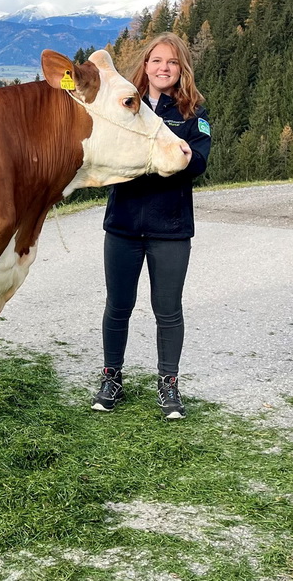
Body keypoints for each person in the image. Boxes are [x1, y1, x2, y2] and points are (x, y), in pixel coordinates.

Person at [91, 32, 211, 419]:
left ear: (181, 69)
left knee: (168, 310)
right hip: (123, 225)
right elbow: (109, 157)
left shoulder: (194, 113)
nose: (164, 68)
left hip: (171, 229)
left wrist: (165, 162)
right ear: (145, 65)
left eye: (172, 62)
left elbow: (197, 163)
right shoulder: (124, 106)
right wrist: (167, 159)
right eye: (157, 60)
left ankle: (169, 384)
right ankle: (112, 377)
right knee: (118, 306)